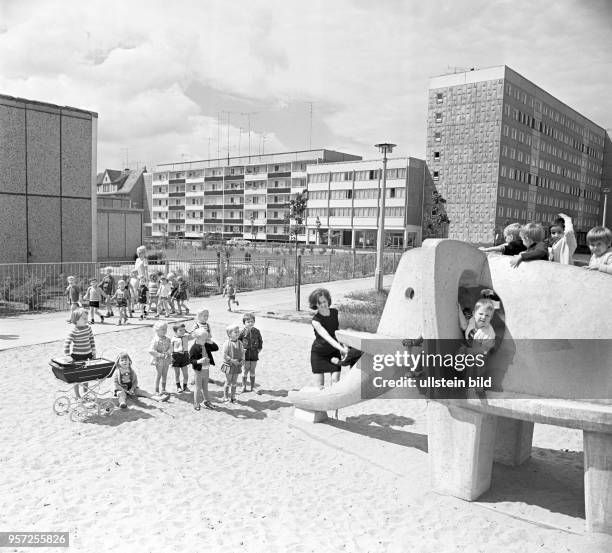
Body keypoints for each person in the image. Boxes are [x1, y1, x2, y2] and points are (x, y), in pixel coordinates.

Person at [309, 288, 348, 388]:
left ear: (328, 300)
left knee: (335, 382)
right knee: (320, 386)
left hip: (334, 352)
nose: (323, 305)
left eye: (324, 301)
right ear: (315, 305)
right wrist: (342, 349)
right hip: (319, 354)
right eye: (319, 303)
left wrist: (343, 345)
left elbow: (336, 330)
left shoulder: (334, 313)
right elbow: (328, 337)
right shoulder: (315, 321)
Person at [63, 308, 96, 399]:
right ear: (76, 320)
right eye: (84, 318)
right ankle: (77, 395)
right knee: (76, 377)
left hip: (88, 355)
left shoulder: (88, 328)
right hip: (77, 356)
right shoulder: (74, 331)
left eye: (86, 318)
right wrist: (67, 355)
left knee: (87, 376)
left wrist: (93, 351)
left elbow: (91, 340)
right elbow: (67, 343)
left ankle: (85, 393)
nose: (86, 320)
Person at [189, 328, 218, 410]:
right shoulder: (194, 348)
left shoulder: (206, 344)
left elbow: (216, 348)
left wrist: (210, 341)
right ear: (197, 338)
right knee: (198, 388)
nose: (205, 341)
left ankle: (206, 401)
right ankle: (196, 402)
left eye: (206, 339)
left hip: (206, 369)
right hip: (198, 371)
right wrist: (199, 361)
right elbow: (191, 360)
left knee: (205, 387)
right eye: (203, 339)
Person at [239, 313, 263, 393]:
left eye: (252, 321)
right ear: (244, 323)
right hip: (245, 354)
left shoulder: (256, 331)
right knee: (245, 370)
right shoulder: (242, 332)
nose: (250, 323)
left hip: (254, 353)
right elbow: (238, 342)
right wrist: (241, 350)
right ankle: (244, 386)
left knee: (252, 370)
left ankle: (252, 387)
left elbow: (260, 340)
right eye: (248, 322)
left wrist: (259, 348)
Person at [221, 324, 244, 403]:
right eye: (235, 332)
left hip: (237, 365)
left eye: (238, 332)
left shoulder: (240, 343)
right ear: (229, 334)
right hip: (229, 365)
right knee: (228, 381)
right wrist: (231, 360)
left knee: (234, 381)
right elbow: (224, 355)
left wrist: (242, 360)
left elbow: (242, 352)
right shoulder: (227, 343)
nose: (237, 333)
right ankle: (225, 396)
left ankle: (233, 397)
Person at [148, 322, 172, 394]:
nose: (165, 331)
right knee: (159, 374)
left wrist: (168, 352)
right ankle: (157, 390)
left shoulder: (168, 339)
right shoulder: (155, 340)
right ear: (157, 330)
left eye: (165, 329)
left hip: (166, 359)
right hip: (159, 360)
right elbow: (150, 350)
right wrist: (160, 355)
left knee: (165, 374)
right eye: (163, 329)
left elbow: (171, 347)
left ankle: (163, 389)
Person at [171, 323, 192, 393]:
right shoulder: (173, 339)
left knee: (186, 374)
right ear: (175, 331)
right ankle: (178, 387)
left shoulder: (186, 337)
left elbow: (194, 335)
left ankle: (185, 386)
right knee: (177, 374)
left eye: (183, 330)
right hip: (176, 357)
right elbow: (170, 350)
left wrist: (187, 332)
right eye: (180, 330)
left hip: (184, 356)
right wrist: (170, 359)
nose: (183, 331)